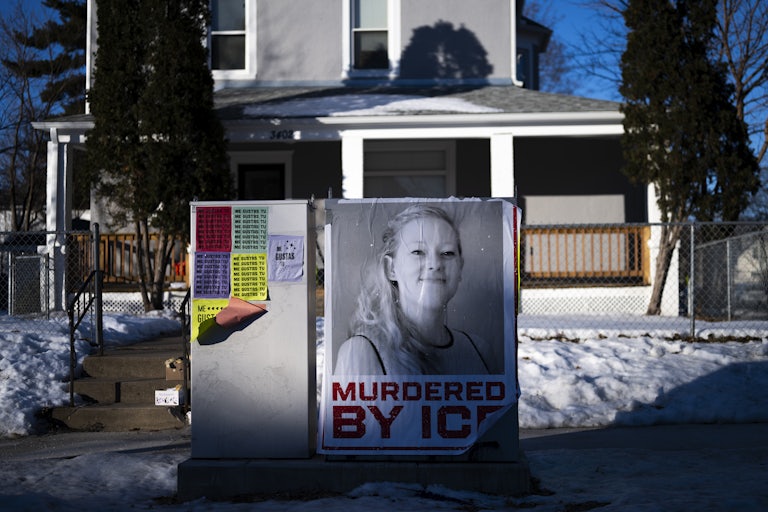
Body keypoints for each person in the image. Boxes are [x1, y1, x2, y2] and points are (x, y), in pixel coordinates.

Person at [334, 204, 491, 375]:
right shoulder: (361, 352)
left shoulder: (479, 350)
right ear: (391, 268)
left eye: (447, 253)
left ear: (460, 267)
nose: (435, 264)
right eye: (418, 252)